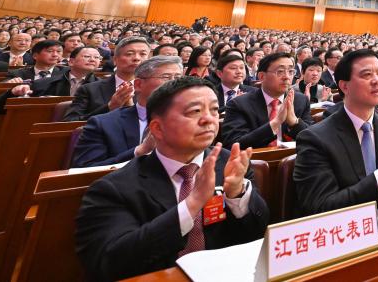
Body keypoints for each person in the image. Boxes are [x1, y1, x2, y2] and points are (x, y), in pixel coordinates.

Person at [74, 76, 268, 282]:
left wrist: (237, 194)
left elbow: (256, 233)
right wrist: (192, 204)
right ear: (157, 128)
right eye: (195, 111)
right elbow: (110, 263)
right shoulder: (113, 188)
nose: (209, 119)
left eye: (213, 110)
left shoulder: (229, 163)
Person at [293, 49, 378, 214]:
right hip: (350, 226)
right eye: (367, 75)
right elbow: (321, 207)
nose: (377, 81)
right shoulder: (315, 139)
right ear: (344, 86)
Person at [72, 56, 184, 167]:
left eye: (178, 78)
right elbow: (85, 170)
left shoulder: (192, 122)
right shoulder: (103, 124)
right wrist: (140, 151)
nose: (175, 83)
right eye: (166, 77)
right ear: (138, 84)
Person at [220, 52, 313, 149]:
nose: (287, 77)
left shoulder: (300, 100)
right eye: (280, 71)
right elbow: (233, 144)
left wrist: (294, 123)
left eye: (290, 71)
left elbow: (313, 138)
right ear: (261, 76)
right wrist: (275, 123)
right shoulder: (239, 104)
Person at [64, 37, 151, 122]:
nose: (137, 58)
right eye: (129, 54)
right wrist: (109, 107)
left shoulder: (154, 90)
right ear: (115, 60)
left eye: (143, 54)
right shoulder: (89, 89)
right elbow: (70, 122)